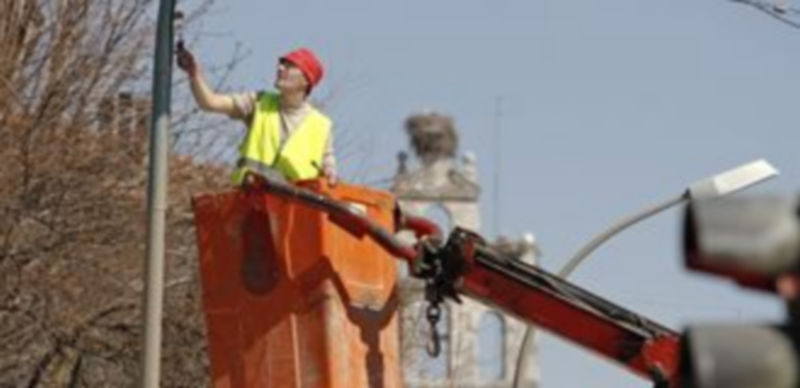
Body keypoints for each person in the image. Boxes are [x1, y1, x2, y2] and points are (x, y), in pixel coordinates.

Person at [176, 43, 337, 185]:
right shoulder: (258, 102)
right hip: (250, 203)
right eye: (281, 64)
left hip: (291, 213)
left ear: (306, 81)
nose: (280, 68)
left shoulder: (321, 127)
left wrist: (330, 172)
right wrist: (194, 74)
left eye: (289, 66)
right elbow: (210, 102)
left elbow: (328, 172)